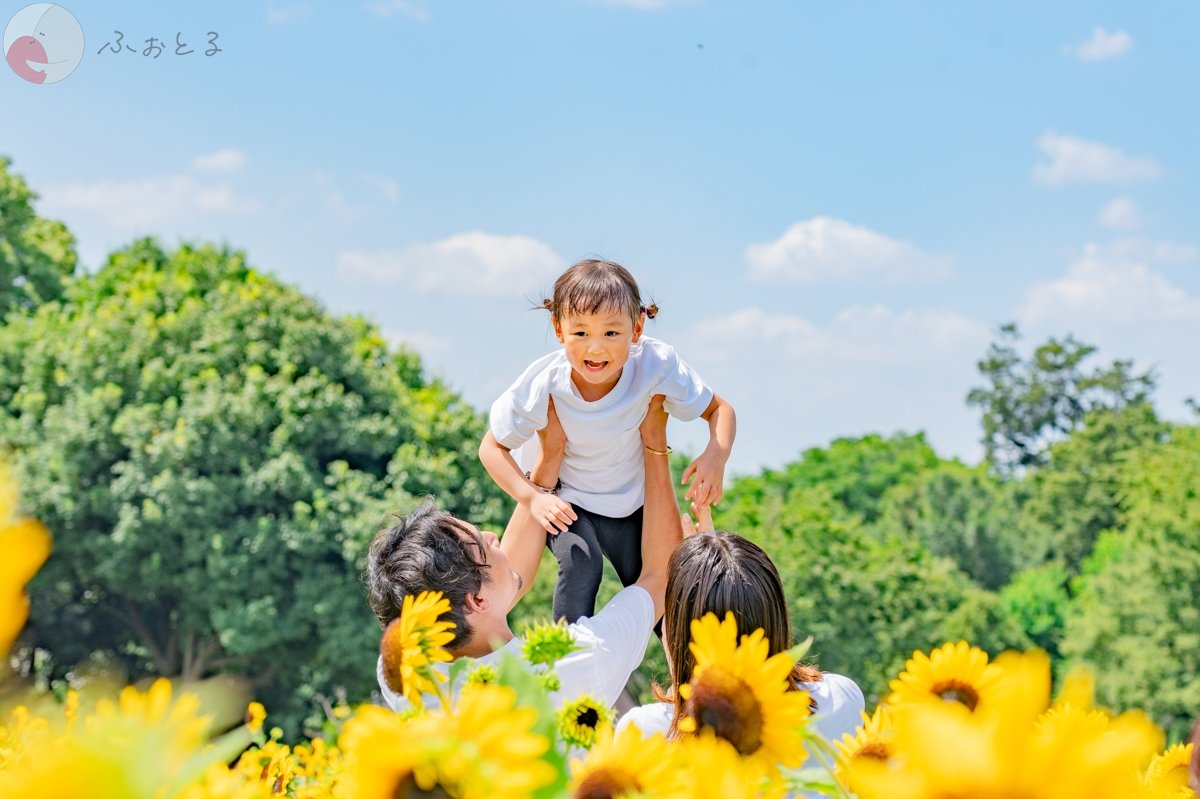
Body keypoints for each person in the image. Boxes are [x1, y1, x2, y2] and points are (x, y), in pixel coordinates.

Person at [367, 396, 681, 712]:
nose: (492, 536)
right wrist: (654, 443)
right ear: (476, 601)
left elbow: (495, 593)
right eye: (483, 544)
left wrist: (549, 460)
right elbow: (658, 577)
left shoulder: (405, 680)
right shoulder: (566, 669)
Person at [479, 258, 736, 624]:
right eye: (580, 333)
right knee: (582, 563)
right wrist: (533, 498)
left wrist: (717, 454)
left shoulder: (655, 364)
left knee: (662, 596)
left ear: (637, 328)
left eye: (611, 333)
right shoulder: (542, 383)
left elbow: (720, 409)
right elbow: (491, 448)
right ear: (558, 329)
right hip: (567, 502)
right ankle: (565, 661)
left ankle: (685, 673)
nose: (596, 350)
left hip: (629, 502)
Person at [617, 507, 865, 762]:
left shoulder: (646, 735)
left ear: (677, 636)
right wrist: (720, 575)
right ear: (777, 617)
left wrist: (703, 579)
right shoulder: (840, 699)